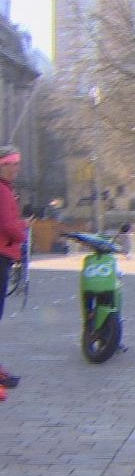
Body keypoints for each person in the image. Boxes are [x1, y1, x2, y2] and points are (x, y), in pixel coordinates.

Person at [0, 146, 27, 397]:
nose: (16, 167)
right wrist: (22, 230)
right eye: (13, 163)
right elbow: (9, 226)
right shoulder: (3, 191)